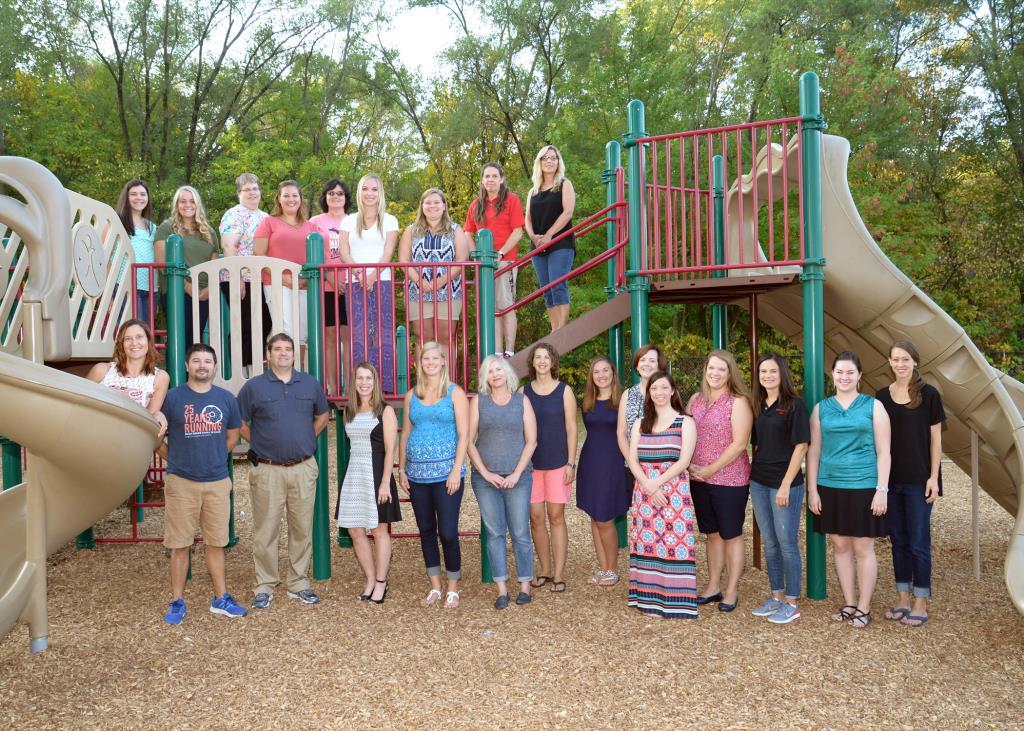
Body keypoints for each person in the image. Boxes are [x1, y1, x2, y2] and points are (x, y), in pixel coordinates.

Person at [238, 333, 330, 609]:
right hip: (267, 469)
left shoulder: (309, 383)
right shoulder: (254, 387)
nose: (283, 353)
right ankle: (265, 584)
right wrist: (256, 441)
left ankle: (298, 583)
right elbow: (239, 420)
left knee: (302, 528)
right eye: (277, 349)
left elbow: (323, 415)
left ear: (294, 354)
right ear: (268, 355)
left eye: (288, 349)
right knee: (266, 529)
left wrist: (308, 439)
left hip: (302, 468)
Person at [156, 343, 246, 624]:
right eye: (196, 361)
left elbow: (233, 437)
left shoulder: (226, 399)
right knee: (180, 545)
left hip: (217, 481)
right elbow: (155, 437)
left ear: (215, 366)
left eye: (207, 361)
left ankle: (221, 598)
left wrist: (216, 456)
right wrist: (175, 459)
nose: (202, 365)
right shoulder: (172, 399)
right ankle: (177, 601)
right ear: (187, 366)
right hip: (181, 481)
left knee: (216, 543)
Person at [807, 351, 891, 629]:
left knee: (863, 546)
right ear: (832, 375)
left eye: (850, 372)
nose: (844, 377)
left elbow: (884, 451)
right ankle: (849, 602)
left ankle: (864, 607)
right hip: (829, 486)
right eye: (839, 372)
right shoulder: (821, 409)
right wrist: (812, 490)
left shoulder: (873, 406)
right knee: (840, 545)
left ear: (859, 376)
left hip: (864, 485)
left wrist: (882, 489)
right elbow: (814, 451)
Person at [876, 340, 944, 627]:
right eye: (895, 359)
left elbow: (937, 439)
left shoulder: (929, 395)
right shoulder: (881, 396)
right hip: (891, 482)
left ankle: (920, 601)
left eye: (905, 359)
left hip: (919, 481)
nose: (900, 364)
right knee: (898, 542)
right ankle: (903, 598)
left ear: (915, 361)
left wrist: (933, 477)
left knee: (918, 543)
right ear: (889, 362)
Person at [399, 341, 469, 609]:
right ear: (420, 363)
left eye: (434, 358)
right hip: (417, 476)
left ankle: (453, 586)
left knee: (448, 532)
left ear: (443, 361)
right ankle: (436, 586)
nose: (430, 362)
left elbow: (464, 435)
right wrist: (402, 469)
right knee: (426, 531)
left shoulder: (455, 393)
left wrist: (455, 470)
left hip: (446, 475)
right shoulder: (412, 395)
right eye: (425, 358)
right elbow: (405, 433)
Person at [467, 354, 537, 609]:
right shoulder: (478, 402)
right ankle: (502, 589)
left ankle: (525, 586)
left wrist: (518, 473)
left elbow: (531, 441)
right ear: (485, 377)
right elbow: (469, 442)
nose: (495, 374)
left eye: (499, 369)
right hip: (486, 480)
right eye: (490, 371)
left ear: (507, 373)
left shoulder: (522, 401)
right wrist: (485, 473)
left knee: (520, 532)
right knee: (495, 533)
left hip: (518, 477)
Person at [627, 371, 698, 618]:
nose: (658, 392)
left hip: (673, 493)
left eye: (663, 388)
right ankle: (648, 600)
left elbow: (684, 460)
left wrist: (657, 484)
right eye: (654, 388)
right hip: (644, 491)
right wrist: (648, 485)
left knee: (673, 543)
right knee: (648, 543)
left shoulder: (685, 422)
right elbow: (632, 459)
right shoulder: (640, 423)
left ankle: (674, 600)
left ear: (672, 391)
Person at [687, 349, 753, 613]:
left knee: (731, 535)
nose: (714, 373)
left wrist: (710, 469)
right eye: (711, 368)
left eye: (721, 369)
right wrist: (690, 464)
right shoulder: (695, 400)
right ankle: (713, 586)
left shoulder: (738, 402)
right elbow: (686, 434)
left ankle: (731, 590)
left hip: (730, 480)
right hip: (698, 478)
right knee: (711, 535)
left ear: (729, 374)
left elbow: (739, 444)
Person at [749, 353, 810, 625]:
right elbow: (757, 443)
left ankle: (792, 602)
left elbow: (801, 446)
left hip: (785, 483)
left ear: (782, 373)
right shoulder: (758, 405)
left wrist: (786, 483)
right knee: (770, 543)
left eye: (772, 371)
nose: (767, 376)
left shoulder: (795, 404)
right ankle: (776, 596)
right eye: (763, 371)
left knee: (787, 544)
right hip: (759, 481)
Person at [335, 361, 401, 604]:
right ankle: (371, 578)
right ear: (354, 383)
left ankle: (382, 582)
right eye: (360, 378)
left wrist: (385, 482)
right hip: (355, 474)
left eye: (369, 378)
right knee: (354, 530)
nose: (364, 383)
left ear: (375, 383)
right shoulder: (349, 411)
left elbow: (390, 450)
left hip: (376, 474)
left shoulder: (385, 411)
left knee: (379, 530)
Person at [522, 342, 577, 593]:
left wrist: (571, 462)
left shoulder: (564, 391)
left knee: (556, 516)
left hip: (557, 463)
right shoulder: (524, 392)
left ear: (553, 362)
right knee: (536, 518)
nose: (542, 361)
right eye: (538, 357)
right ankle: (544, 569)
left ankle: (558, 573)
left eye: (546, 357)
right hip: (532, 465)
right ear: (532, 363)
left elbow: (572, 428)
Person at [340, 173, 398, 393]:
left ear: (380, 192)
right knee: (359, 333)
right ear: (359, 192)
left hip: (382, 281)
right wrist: (360, 274)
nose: (370, 194)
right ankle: (360, 386)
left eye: (374, 189)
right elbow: (344, 252)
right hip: (355, 283)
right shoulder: (347, 220)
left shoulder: (390, 219)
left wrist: (373, 274)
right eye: (365, 189)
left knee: (382, 332)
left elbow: (388, 251)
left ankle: (385, 386)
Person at [399, 188, 469, 363]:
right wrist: (418, 280)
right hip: (418, 291)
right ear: (422, 206)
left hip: (449, 292)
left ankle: (448, 385)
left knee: (446, 336)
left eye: (437, 202)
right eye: (428, 203)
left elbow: (462, 259)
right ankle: (425, 385)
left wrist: (441, 281)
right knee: (423, 337)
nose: (432, 206)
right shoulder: (411, 230)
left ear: (444, 206)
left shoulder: (455, 230)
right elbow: (403, 260)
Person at [463, 162, 525, 357]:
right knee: (492, 307)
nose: (490, 180)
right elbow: (467, 233)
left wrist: (501, 254)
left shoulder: (511, 200)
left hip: (503, 261)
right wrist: (476, 256)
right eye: (487, 176)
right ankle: (497, 351)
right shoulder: (476, 204)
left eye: (494, 176)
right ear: (482, 180)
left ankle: (509, 350)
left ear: (501, 179)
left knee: (506, 305)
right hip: (484, 265)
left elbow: (518, 231)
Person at [577, 356, 628, 586]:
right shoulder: (587, 401)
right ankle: (603, 568)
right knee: (594, 516)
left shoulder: (622, 400)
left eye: (605, 370)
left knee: (605, 517)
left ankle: (613, 570)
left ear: (612, 373)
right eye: (596, 372)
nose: (601, 375)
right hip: (590, 461)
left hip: (613, 462)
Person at [253, 180, 322, 349]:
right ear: (279, 199)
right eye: (286, 195)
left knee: (303, 334)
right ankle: (278, 375)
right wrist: (284, 279)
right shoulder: (269, 222)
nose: (291, 199)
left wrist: (304, 281)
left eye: (294, 195)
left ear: (300, 199)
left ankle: (298, 374)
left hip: (305, 285)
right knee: (285, 331)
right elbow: (258, 254)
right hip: (276, 283)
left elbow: (320, 259)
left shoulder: (312, 226)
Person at [154, 186, 221, 345]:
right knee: (179, 338)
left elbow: (216, 264)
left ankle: (193, 371)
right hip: (176, 290)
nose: (187, 205)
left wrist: (208, 290)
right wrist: (187, 286)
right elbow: (161, 262)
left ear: (198, 204)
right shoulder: (167, 227)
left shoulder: (208, 232)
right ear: (177, 204)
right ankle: (175, 371)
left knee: (195, 339)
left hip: (203, 294)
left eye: (192, 201)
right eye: (182, 201)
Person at [219, 172, 271, 368]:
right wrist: (237, 278)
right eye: (246, 189)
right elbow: (228, 245)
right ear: (238, 193)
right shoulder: (235, 214)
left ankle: (252, 367)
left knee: (264, 322)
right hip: (239, 278)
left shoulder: (264, 217)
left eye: (255, 188)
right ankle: (240, 371)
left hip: (259, 279)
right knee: (245, 324)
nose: (252, 192)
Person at [524, 145, 576, 332]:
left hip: (560, 243)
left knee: (557, 285)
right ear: (539, 162)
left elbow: (568, 212)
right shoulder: (533, 191)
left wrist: (549, 235)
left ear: (558, 162)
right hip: (538, 246)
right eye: (545, 158)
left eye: (553, 158)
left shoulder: (564, 184)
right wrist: (533, 237)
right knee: (546, 290)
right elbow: (527, 218)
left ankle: (562, 329)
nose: (549, 161)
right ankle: (554, 331)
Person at [310, 178, 353, 396]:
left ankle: (349, 390)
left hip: (351, 284)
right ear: (325, 197)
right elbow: (310, 253)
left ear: (346, 198)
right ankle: (332, 388)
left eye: (340, 194)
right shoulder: (315, 221)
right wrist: (330, 277)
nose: (335, 197)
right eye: (331, 193)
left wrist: (348, 278)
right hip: (325, 285)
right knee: (329, 336)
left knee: (348, 337)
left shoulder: (354, 220)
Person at [87, 318, 170, 429]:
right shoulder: (101, 370)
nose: (134, 343)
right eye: (128, 339)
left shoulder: (160, 377)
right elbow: (80, 403)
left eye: (139, 337)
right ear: (121, 344)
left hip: (133, 435)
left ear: (148, 341)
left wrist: (158, 414)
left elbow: (149, 420)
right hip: (99, 430)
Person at [617, 345, 669, 483]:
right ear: (637, 365)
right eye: (643, 360)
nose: (647, 364)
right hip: (631, 467)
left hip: (662, 469)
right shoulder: (627, 395)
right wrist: (634, 466)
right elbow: (621, 433)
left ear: (659, 365)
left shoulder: (667, 393)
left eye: (652, 360)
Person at [112, 179, 158, 325]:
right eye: (134, 194)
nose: (139, 198)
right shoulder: (116, 222)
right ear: (127, 197)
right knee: (134, 329)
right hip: (126, 284)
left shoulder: (152, 227)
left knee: (147, 331)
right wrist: (108, 294)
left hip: (150, 287)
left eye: (143, 194)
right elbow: (104, 259)